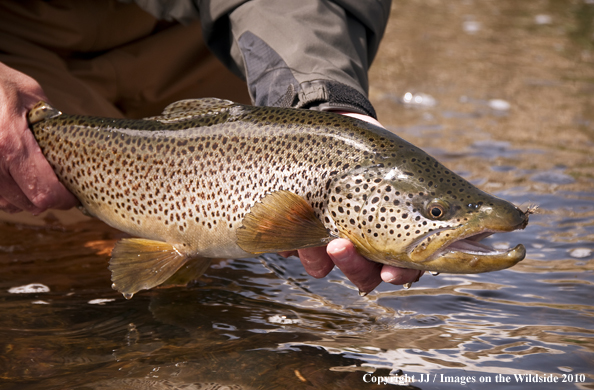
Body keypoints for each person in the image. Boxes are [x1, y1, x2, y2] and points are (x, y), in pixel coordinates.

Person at [0, 0, 422, 294]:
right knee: (55, 250)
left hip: (195, 27)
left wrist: (323, 101)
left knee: (213, 242)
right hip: (16, 44)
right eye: (434, 214)